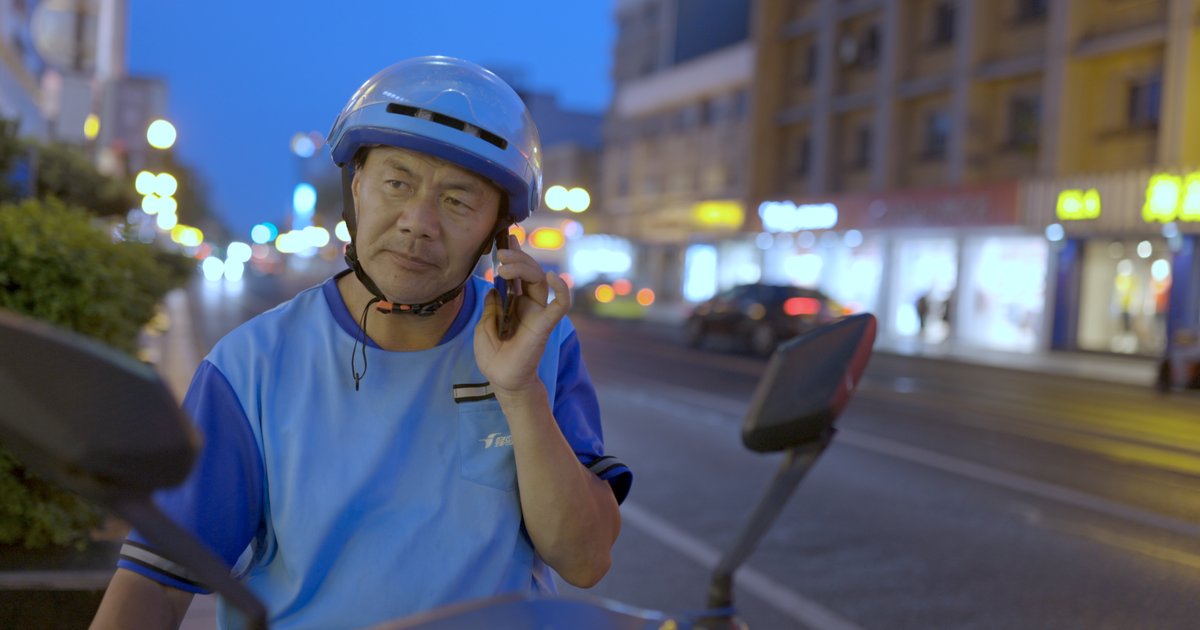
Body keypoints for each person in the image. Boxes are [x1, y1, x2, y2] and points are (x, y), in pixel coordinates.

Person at [93, 56, 632, 629]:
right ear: (356, 187)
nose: (418, 221)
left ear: (497, 233)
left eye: (458, 200)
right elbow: (157, 581)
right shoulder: (251, 365)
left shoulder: (541, 342)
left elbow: (585, 559)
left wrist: (520, 392)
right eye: (397, 183)